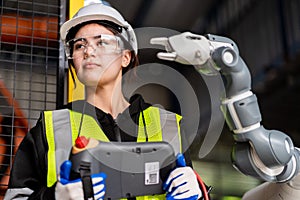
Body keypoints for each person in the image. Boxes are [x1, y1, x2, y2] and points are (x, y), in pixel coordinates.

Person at [4, 3, 208, 200]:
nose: (88, 51)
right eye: (79, 45)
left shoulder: (168, 125)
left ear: (126, 57)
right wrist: (54, 197)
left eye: (101, 42)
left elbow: (192, 191)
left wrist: (198, 193)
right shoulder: (49, 130)